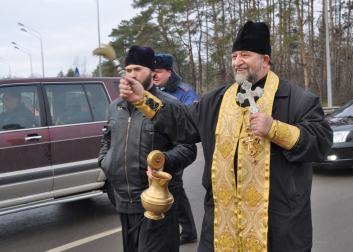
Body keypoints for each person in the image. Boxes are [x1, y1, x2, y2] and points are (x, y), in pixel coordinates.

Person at [120, 21, 333, 252]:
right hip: (222, 225)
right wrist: (144, 99)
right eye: (234, 55)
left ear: (265, 59)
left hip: (277, 226)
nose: (237, 61)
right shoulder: (217, 100)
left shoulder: (298, 99)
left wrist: (275, 129)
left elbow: (321, 142)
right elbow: (182, 123)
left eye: (245, 55)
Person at [98, 45, 197, 252]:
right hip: (124, 202)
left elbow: (188, 147)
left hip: (158, 203)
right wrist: (106, 162)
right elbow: (107, 141)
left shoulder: (169, 105)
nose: (132, 75)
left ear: (152, 72)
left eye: (138, 70)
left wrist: (163, 162)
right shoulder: (115, 107)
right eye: (129, 70)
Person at [152, 53, 199, 245]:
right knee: (172, 189)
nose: (154, 75)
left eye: (159, 72)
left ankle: (186, 231)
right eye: (152, 72)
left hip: (177, 148)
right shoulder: (153, 91)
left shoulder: (185, 92)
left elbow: (190, 125)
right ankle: (185, 230)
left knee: (174, 188)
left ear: (169, 72)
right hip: (158, 148)